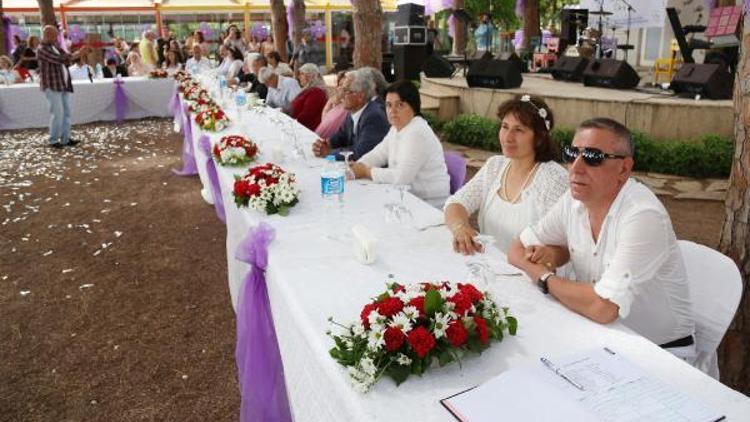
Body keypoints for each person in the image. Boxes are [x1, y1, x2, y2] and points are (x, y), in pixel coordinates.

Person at [506, 117, 695, 357]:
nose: (576, 167)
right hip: (599, 338)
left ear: (624, 169)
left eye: (593, 157)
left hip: (659, 355)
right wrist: (555, 253)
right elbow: (517, 247)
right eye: (572, 153)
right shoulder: (573, 200)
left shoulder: (643, 215)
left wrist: (543, 277)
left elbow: (603, 307)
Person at [444, 95, 568, 254]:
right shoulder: (495, 166)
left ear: (539, 137)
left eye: (519, 130)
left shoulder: (554, 179)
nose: (508, 137)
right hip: (490, 264)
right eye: (505, 127)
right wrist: (460, 228)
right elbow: (456, 203)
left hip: (529, 273)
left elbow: (562, 246)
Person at [351, 80, 450, 207]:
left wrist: (366, 171)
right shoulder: (397, 127)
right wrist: (358, 165)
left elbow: (402, 178)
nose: (393, 111)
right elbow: (379, 153)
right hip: (404, 197)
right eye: (388, 105)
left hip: (428, 204)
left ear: (413, 106)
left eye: (400, 105)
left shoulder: (417, 132)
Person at [311, 68, 388, 161]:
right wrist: (326, 143)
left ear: (360, 96)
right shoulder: (353, 111)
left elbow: (361, 153)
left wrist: (329, 153)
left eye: (345, 90)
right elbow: (341, 136)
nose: (341, 94)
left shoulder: (373, 116)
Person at [37, 25, 90, 148]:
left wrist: (78, 53)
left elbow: (67, 58)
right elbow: (59, 59)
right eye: (55, 35)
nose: (56, 38)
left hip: (62, 84)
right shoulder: (42, 49)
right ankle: (53, 140)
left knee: (66, 113)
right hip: (52, 85)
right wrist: (79, 52)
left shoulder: (55, 46)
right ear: (48, 35)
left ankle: (65, 138)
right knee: (57, 113)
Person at [288, 63, 328, 131]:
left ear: (310, 76)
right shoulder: (308, 89)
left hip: (307, 130)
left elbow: (306, 116)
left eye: (302, 74)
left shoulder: (316, 92)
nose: (299, 77)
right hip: (298, 126)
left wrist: (289, 123)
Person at [314, 70, 349, 138]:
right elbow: (325, 112)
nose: (341, 88)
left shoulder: (348, 106)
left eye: (344, 85)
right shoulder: (333, 100)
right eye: (340, 85)